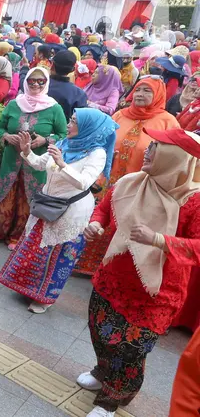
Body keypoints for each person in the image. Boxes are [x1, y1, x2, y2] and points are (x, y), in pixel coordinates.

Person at [79, 128, 200, 417]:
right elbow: (105, 208)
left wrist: (160, 240)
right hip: (112, 277)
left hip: (155, 292)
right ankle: (102, 372)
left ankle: (111, 399)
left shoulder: (193, 200)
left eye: (157, 146)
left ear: (176, 157)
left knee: (130, 350)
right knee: (101, 332)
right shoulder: (131, 182)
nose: (148, 149)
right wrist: (96, 224)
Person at [0, 109, 118, 314]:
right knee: (37, 249)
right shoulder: (64, 144)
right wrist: (27, 151)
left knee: (59, 256)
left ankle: (45, 298)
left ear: (89, 127)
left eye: (73, 122)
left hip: (72, 211)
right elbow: (39, 163)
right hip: (47, 204)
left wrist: (62, 164)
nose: (69, 125)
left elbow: (84, 182)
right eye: (70, 120)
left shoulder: (96, 153)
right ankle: (28, 289)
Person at [74, 78, 180, 276]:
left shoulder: (168, 122)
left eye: (147, 91)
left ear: (158, 95)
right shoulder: (120, 115)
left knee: (122, 222)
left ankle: (106, 267)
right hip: (107, 180)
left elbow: (173, 155)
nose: (140, 94)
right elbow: (103, 139)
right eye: (138, 90)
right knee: (98, 217)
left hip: (138, 184)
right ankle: (83, 263)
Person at [0, 67, 68, 250]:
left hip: (36, 162)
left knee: (28, 198)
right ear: (26, 81)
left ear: (46, 83)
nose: (36, 85)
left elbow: (63, 134)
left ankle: (18, 236)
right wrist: (7, 136)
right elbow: (0, 128)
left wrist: (46, 140)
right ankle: (1, 230)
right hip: (11, 159)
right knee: (6, 195)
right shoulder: (15, 104)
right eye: (32, 80)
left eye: (41, 81)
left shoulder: (54, 108)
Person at [47, 51, 88, 118]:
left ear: (52, 65)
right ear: (73, 69)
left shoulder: (40, 85)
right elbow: (81, 119)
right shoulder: (78, 94)